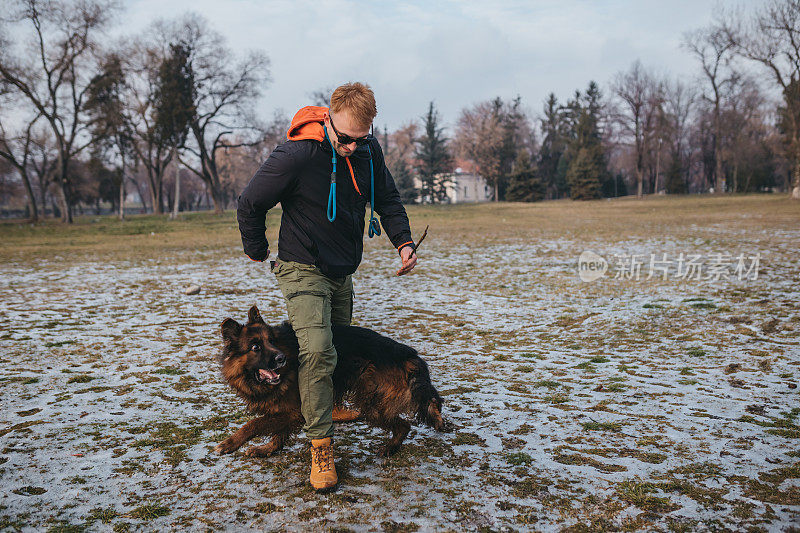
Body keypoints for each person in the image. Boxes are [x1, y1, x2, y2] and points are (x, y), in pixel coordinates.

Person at [236, 82, 417, 490]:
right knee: (318, 352)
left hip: (341, 274)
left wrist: (403, 243)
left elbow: (387, 198)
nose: (352, 147)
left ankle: (310, 414)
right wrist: (256, 247)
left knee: (334, 357)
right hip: (302, 267)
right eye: (345, 139)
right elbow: (250, 202)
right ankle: (320, 449)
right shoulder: (297, 154)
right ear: (330, 119)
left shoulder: (368, 151)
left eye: (361, 138)